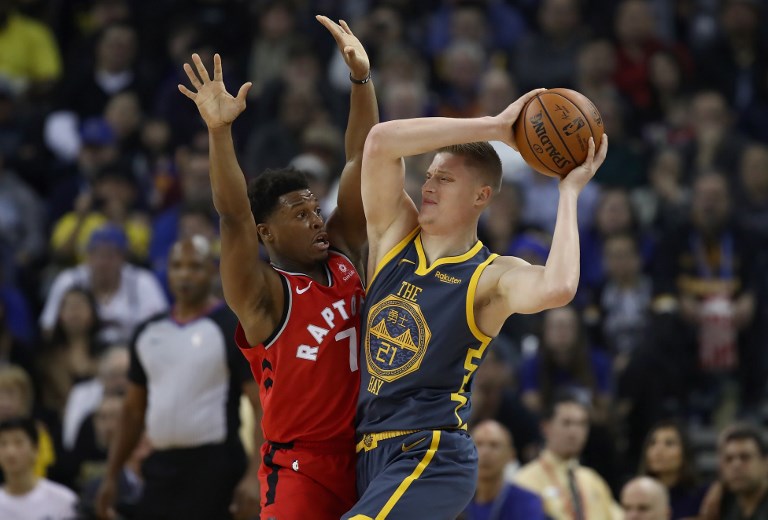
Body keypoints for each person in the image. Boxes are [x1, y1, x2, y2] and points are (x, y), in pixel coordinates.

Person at [345, 79, 608, 517]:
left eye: (444, 179)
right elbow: (380, 141)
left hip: (430, 452)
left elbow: (559, 286)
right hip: (366, 448)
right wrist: (493, 126)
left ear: (481, 196)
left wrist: (569, 193)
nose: (428, 185)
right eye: (428, 175)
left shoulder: (491, 276)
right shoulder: (394, 236)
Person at [177, 15, 378, 519]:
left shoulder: (345, 252)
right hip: (300, 468)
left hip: (370, 455)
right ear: (267, 233)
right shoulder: (263, 293)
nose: (317, 221)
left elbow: (361, 157)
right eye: (300, 215)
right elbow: (232, 214)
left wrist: (361, 80)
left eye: (316, 209)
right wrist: (219, 132)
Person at [95, 237, 262, 520]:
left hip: (216, 467)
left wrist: (255, 474)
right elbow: (133, 412)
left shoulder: (231, 327)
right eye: (177, 266)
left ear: (212, 271)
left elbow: (261, 405)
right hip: (161, 466)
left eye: (195, 266)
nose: (185, 274)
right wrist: (111, 474)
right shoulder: (147, 332)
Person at [514, 394, 622, 520]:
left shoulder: (593, 481)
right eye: (567, 423)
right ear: (545, 427)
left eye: (581, 424)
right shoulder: (524, 481)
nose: (574, 431)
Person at [464, 420, 546, 520]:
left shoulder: (527, 502)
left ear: (511, 455)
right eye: (478, 444)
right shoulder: (456, 500)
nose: (485, 453)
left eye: (494, 445)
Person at [0, 417, 77, 519]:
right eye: (3, 444)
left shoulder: (63, 500)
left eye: (18, 443)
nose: (10, 452)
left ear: (35, 449)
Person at [638, 420, 708, 519]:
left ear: (685, 452)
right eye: (653, 443)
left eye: (669, 443)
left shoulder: (703, 497)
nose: (658, 450)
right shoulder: (636, 496)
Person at [700, 423, 768, 520]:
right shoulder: (723, 502)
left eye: (745, 457)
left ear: (765, 463)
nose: (736, 465)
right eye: (729, 459)